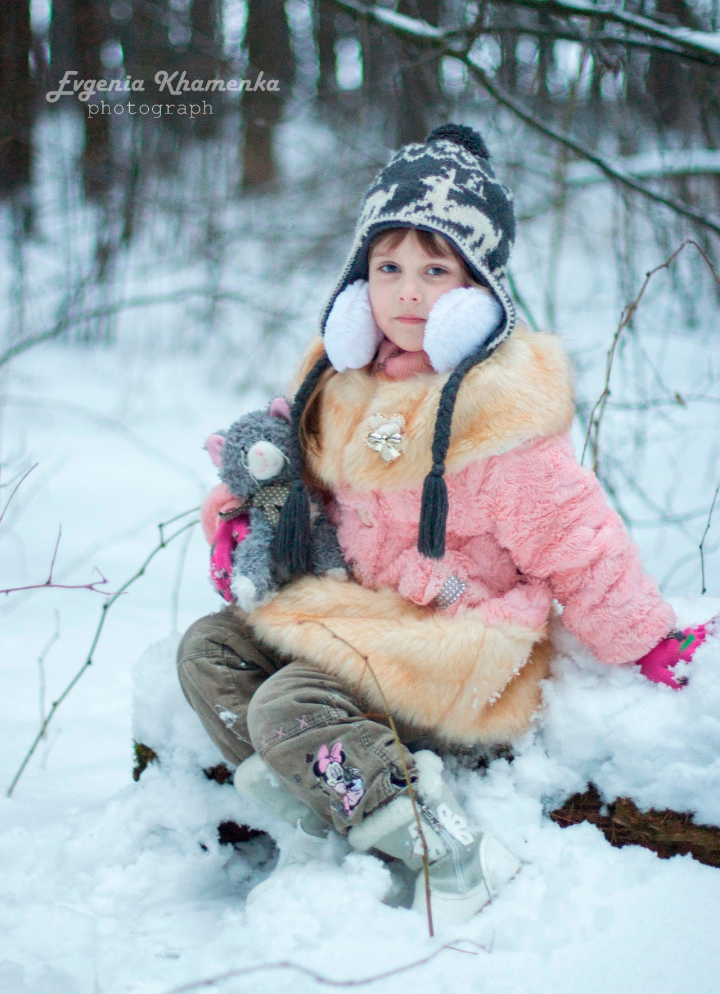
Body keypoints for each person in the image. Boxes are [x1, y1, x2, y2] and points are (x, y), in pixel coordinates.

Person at [177, 124, 711, 924]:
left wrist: (649, 641)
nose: (409, 293)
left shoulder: (498, 420)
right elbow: (290, 474)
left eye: (435, 270)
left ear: (478, 291)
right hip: (361, 620)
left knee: (287, 701)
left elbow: (581, 542)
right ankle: (321, 810)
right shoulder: (341, 379)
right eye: (388, 268)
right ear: (361, 283)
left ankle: (442, 846)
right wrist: (251, 523)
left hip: (458, 644)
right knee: (209, 653)